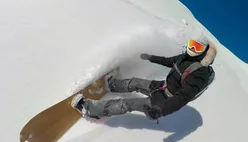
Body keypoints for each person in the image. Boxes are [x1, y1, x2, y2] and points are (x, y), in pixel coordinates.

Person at [72, 34, 217, 122]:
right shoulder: (184, 57)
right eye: (192, 45)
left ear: (203, 52)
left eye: (197, 48)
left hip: (165, 100)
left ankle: (90, 109)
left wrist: (160, 110)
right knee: (134, 82)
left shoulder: (201, 73)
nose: (192, 49)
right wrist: (150, 57)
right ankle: (112, 84)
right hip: (162, 86)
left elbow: (183, 97)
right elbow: (167, 61)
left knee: (126, 104)